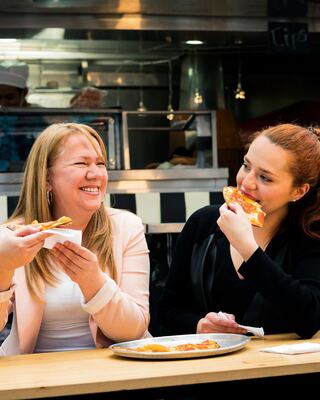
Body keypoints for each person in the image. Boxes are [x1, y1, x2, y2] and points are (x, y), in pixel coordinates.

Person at [157, 123, 320, 339]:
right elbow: (166, 309)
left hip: (282, 370)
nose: (246, 182)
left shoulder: (310, 235)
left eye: (265, 177)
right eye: (246, 166)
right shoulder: (203, 223)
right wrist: (199, 325)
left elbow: (309, 320)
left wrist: (248, 248)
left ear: (298, 191)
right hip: (206, 368)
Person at [0, 122, 150, 356]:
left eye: (100, 163)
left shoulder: (126, 227)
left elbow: (134, 329)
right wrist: (4, 267)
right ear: (47, 179)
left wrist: (93, 282)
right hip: (33, 377)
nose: (95, 174)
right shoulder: (12, 235)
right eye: (81, 163)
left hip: (114, 373)